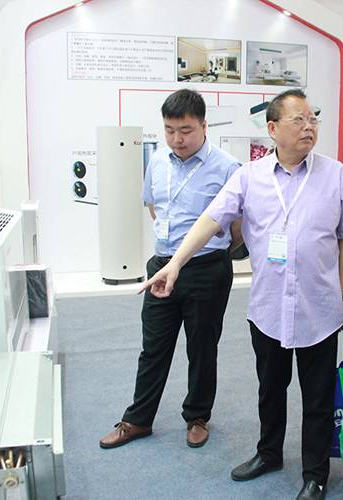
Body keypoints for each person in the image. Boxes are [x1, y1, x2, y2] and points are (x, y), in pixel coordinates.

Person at [140, 88, 343, 500]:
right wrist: (176, 263)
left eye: (313, 119)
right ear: (273, 128)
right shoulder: (249, 176)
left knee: (317, 396)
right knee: (270, 389)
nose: (309, 127)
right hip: (268, 306)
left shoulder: (335, 175)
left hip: (319, 307)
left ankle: (315, 473)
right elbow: (211, 220)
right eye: (298, 120)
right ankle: (269, 454)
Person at [99, 89, 241, 450]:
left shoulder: (228, 167)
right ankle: (137, 420)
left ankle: (197, 416)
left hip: (206, 269)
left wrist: (212, 253)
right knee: (153, 347)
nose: (177, 139)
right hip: (161, 266)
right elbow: (154, 207)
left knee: (202, 348)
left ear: (204, 126)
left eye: (186, 130)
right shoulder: (158, 161)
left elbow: (239, 227)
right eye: (169, 130)